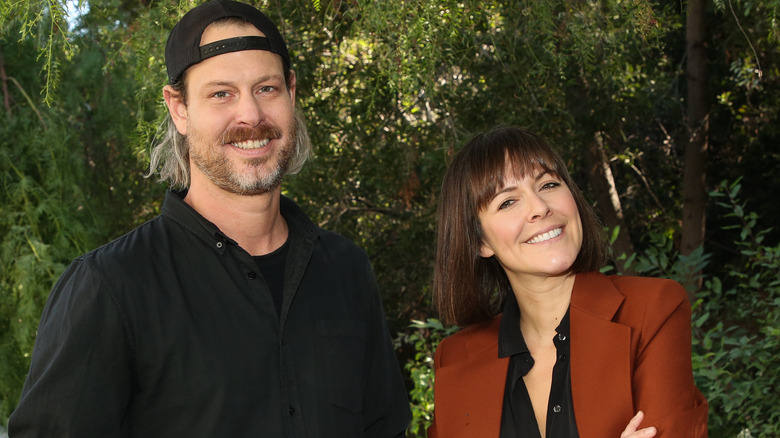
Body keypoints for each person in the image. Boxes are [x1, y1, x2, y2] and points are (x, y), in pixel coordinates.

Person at [8, 1, 410, 436]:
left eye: (267, 89)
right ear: (178, 108)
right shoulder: (110, 286)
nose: (251, 116)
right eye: (221, 94)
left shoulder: (345, 270)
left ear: (292, 93)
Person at [427, 126, 708, 438]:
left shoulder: (652, 311)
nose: (539, 207)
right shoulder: (453, 360)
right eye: (507, 202)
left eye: (548, 184)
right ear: (480, 241)